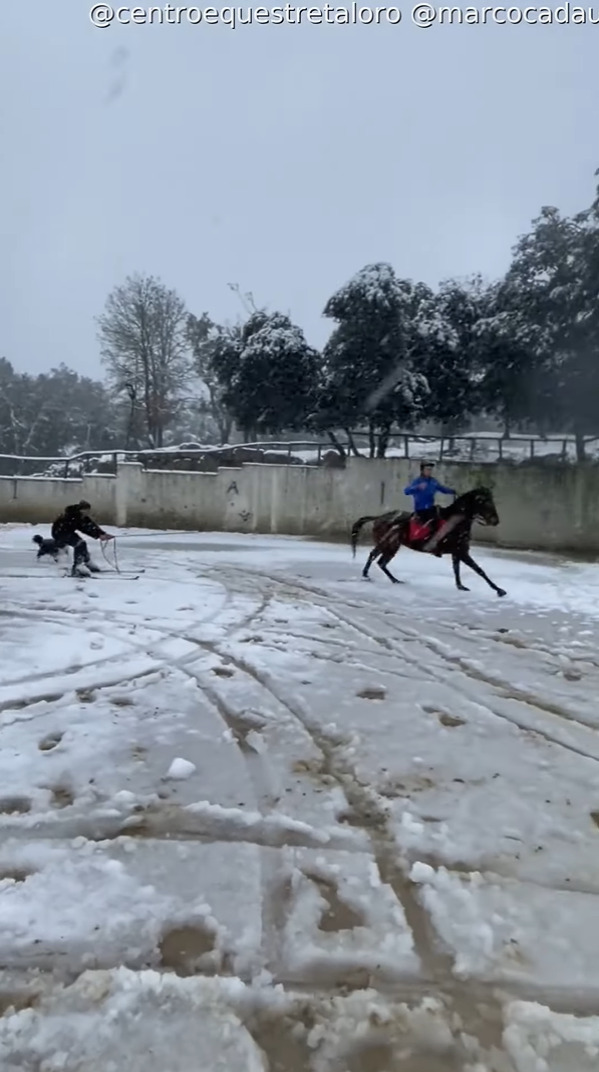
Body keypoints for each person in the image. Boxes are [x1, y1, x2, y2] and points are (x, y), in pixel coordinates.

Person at [403, 463, 456, 555]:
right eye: (427, 469)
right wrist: (417, 487)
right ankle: (429, 543)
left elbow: (442, 489)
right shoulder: (418, 481)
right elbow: (406, 491)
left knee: (442, 519)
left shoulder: (433, 482)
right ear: (422, 470)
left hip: (430, 508)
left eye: (430, 469)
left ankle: (440, 542)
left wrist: (452, 491)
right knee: (431, 522)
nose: (429, 471)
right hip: (420, 509)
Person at [51, 500, 114, 577]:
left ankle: (87, 562)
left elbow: (91, 526)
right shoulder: (73, 515)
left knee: (82, 544)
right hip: (60, 533)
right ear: (81, 510)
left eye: (88, 510)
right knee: (80, 544)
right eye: (86, 510)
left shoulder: (80, 516)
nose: (87, 512)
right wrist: (99, 535)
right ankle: (77, 567)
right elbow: (85, 527)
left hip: (68, 532)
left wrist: (102, 534)